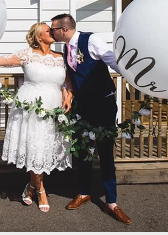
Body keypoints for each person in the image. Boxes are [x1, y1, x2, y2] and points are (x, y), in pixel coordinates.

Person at [0, 22, 73, 213]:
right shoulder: (26, 55)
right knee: (33, 146)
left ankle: (30, 187)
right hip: (30, 106)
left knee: (43, 148)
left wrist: (68, 95)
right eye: (47, 30)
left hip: (54, 108)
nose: (51, 32)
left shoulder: (61, 58)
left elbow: (67, 81)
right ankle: (41, 190)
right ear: (38, 36)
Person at [50, 14, 132, 225]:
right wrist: (68, 95)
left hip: (103, 104)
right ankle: (84, 192)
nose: (52, 33)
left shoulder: (91, 40)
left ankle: (112, 202)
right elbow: (72, 77)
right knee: (83, 151)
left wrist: (136, 79)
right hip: (82, 107)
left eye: (53, 29)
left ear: (64, 30)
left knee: (105, 151)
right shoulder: (67, 48)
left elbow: (114, 62)